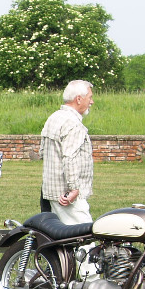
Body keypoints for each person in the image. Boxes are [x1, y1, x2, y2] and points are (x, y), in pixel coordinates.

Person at [40, 80, 95, 224]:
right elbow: (70, 158)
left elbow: (42, 152)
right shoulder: (73, 124)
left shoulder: (54, 117)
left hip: (50, 190)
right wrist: (74, 189)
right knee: (84, 239)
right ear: (79, 99)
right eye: (90, 97)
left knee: (56, 240)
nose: (92, 102)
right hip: (66, 196)